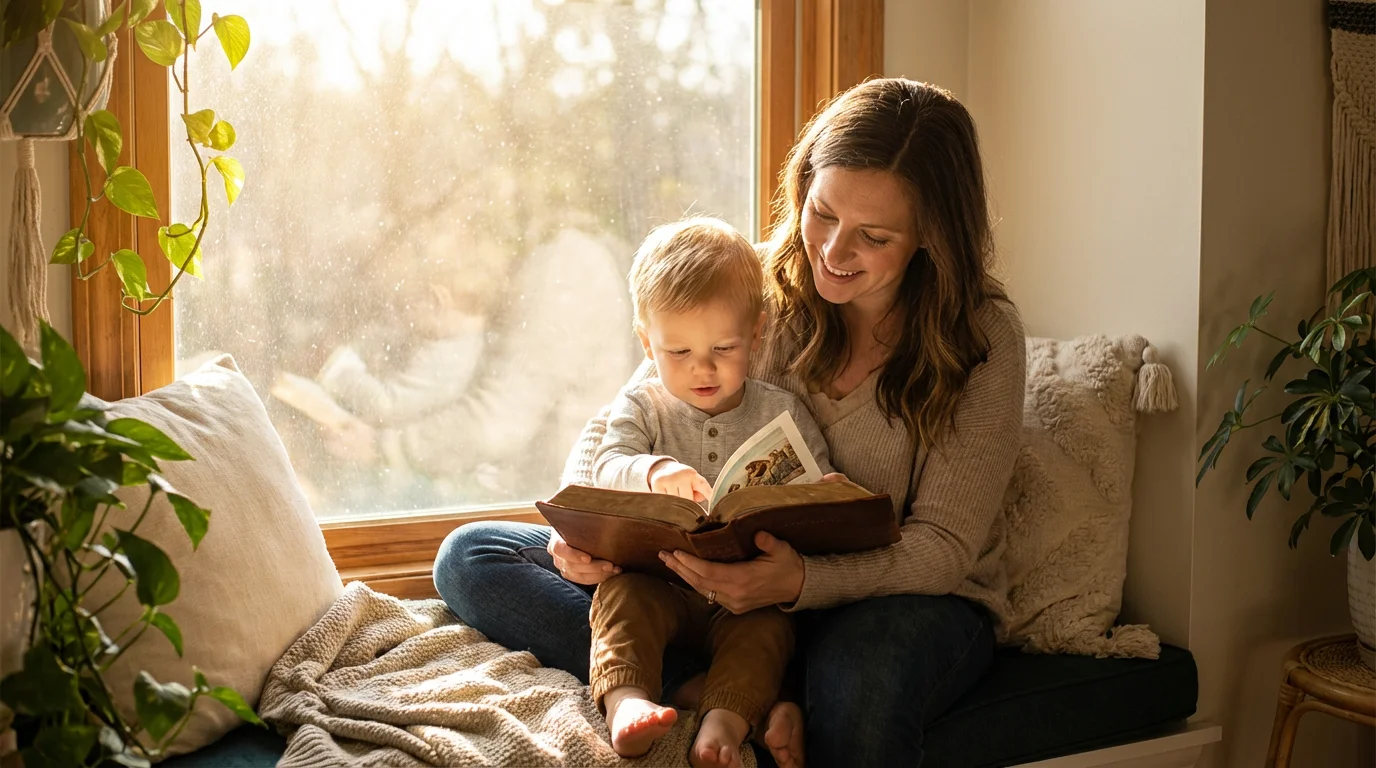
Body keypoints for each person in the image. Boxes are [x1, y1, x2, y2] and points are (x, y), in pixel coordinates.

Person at [434, 78, 1027, 767]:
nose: (832, 252)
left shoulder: (981, 335)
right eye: (822, 212)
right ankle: (718, 695)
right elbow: (630, 410)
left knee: (863, 684)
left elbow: (945, 547)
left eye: (873, 236)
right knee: (474, 557)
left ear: (931, 233)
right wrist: (583, 531)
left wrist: (798, 582)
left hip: (898, 595)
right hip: (726, 588)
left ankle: (758, 688)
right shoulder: (766, 290)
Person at [586, 217, 835, 766]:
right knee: (619, 602)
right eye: (678, 352)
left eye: (724, 347)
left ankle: (723, 724)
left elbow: (814, 487)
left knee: (769, 631)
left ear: (757, 335)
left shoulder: (781, 410)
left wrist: (828, 495)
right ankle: (627, 703)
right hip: (658, 581)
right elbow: (605, 465)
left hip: (743, 595)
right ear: (646, 342)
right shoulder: (643, 406)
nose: (702, 368)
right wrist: (650, 473)